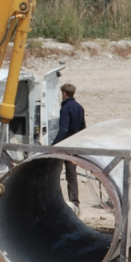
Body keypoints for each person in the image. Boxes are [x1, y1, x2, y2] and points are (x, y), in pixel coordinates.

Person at [53, 83, 86, 214]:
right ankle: (75, 202)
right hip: (76, 144)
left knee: (54, 172)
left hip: (66, 144)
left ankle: (56, 200)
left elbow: (64, 128)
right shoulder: (79, 107)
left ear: (64, 94)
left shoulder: (66, 108)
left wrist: (55, 145)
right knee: (72, 174)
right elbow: (83, 126)